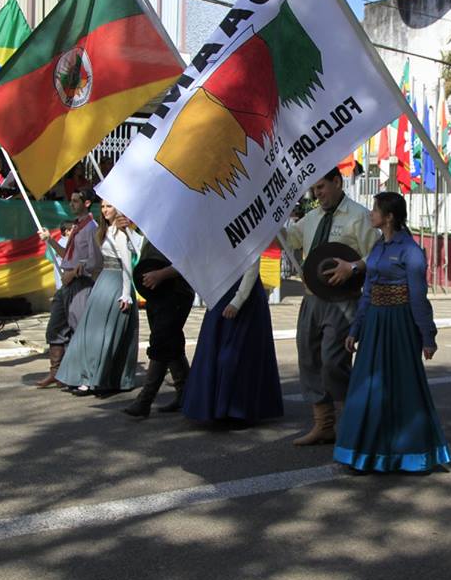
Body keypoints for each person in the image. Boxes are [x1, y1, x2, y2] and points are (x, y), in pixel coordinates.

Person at [335, 192, 450, 473]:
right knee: (367, 386)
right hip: (374, 323)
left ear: (389, 217)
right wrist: (356, 329)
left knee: (403, 388)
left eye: (375, 210)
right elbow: (368, 292)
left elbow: (418, 297)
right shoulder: (377, 247)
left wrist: (427, 336)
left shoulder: (411, 251)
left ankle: (410, 455)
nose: (370, 214)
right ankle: (365, 454)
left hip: (400, 325)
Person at [284, 167, 380, 446]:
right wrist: (272, 222)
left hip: (342, 301)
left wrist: (352, 267)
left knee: (333, 361)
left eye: (321, 187)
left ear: (337, 182)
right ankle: (324, 424)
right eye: (314, 189)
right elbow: (290, 239)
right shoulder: (312, 217)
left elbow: (377, 253)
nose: (317, 194)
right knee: (308, 357)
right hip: (311, 297)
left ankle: (351, 421)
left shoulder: (359, 216)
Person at [181, 259, 283, 425]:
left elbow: (252, 265)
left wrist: (238, 300)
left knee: (239, 355)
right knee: (213, 352)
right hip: (220, 293)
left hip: (245, 298)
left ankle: (238, 410)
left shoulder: (250, 233)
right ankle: (215, 409)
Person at [56, 200, 139, 396]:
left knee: (106, 335)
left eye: (109, 206)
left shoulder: (121, 234)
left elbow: (127, 266)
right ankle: (85, 376)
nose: (105, 210)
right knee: (90, 333)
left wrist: (126, 294)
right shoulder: (105, 232)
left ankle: (97, 379)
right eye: (102, 206)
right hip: (103, 283)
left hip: (116, 285)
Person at [123, 240, 196, 418]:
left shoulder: (179, 223)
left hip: (176, 291)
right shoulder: (152, 223)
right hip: (156, 293)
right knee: (172, 344)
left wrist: (162, 274)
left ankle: (145, 400)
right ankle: (186, 394)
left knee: (161, 343)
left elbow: (190, 258)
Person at [36, 189, 100, 388]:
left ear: (87, 203)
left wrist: (72, 274)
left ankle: (83, 376)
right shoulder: (77, 227)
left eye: (75, 201)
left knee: (79, 330)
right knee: (55, 328)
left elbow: (94, 261)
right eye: (70, 201)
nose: (71, 204)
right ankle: (56, 372)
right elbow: (68, 256)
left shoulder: (91, 228)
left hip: (80, 284)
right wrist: (50, 240)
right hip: (67, 284)